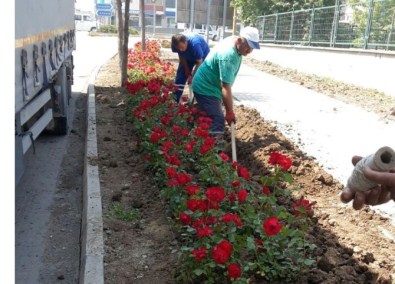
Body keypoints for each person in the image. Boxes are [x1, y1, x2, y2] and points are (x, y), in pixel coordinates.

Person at [191, 26, 260, 138]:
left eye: (253, 48)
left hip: (210, 84)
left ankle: (193, 114)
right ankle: (214, 150)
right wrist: (229, 112)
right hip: (205, 88)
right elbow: (225, 87)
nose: (250, 51)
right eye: (249, 47)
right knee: (217, 120)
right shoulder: (228, 56)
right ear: (239, 41)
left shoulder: (235, 42)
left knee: (210, 110)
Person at [171, 33, 210, 103]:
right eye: (178, 48)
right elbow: (181, 55)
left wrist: (193, 76)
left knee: (199, 78)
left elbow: (199, 62)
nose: (181, 49)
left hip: (202, 57)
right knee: (181, 76)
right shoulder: (175, 44)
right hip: (187, 57)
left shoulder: (195, 45)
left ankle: (198, 102)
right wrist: (186, 69)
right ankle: (175, 100)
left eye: (182, 47)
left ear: (186, 41)